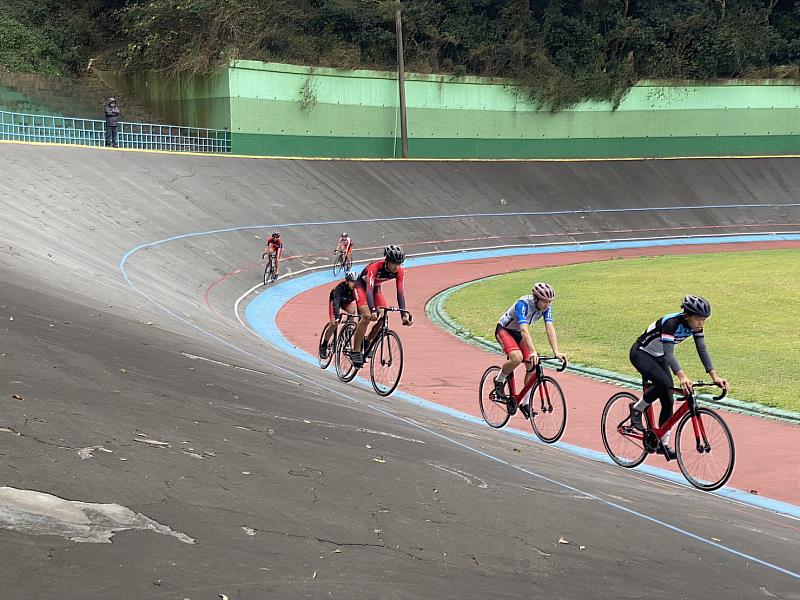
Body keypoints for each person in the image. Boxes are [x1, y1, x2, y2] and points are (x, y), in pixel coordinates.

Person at [629, 295, 729, 460]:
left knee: (668, 399)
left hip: (659, 356)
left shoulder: (696, 327)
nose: (701, 323)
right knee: (665, 383)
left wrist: (715, 376)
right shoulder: (671, 323)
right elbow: (669, 354)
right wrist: (682, 376)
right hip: (641, 353)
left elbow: (702, 349)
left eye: (704, 320)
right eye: (698, 319)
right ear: (687, 315)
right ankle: (637, 408)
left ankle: (663, 444)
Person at [493, 283, 567, 419]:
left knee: (532, 365)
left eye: (549, 302)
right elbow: (524, 329)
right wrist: (533, 351)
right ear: (536, 299)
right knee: (517, 358)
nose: (547, 305)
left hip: (518, 333)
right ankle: (499, 380)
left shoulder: (546, 308)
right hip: (504, 330)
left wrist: (556, 351)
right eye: (544, 301)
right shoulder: (523, 304)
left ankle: (525, 403)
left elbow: (550, 328)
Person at [348, 244, 413, 367]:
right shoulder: (374, 267)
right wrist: (372, 310)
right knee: (367, 316)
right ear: (387, 261)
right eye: (394, 263)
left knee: (383, 316)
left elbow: (400, 293)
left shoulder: (399, 271)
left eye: (400, 263)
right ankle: (355, 351)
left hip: (376, 289)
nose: (397, 267)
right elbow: (368, 290)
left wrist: (403, 315)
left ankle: (367, 341)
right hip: (362, 287)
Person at [320, 271, 359, 358]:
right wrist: (337, 317)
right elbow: (336, 303)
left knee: (352, 311)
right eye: (352, 281)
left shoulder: (357, 289)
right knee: (334, 323)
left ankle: (347, 330)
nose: (354, 284)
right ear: (347, 281)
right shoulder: (339, 288)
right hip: (335, 301)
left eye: (356, 282)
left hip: (346, 302)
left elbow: (360, 302)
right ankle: (324, 345)